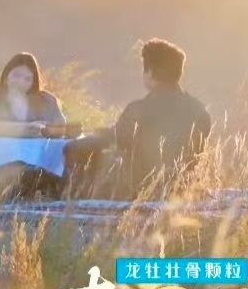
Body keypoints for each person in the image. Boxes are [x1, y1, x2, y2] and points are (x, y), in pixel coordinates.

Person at [64, 38, 212, 198]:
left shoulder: (138, 110)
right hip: (183, 190)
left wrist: (74, 143)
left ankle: (73, 203)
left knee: (75, 149)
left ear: (150, 72)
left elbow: (116, 137)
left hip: (141, 192)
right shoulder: (200, 111)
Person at [0, 52, 66, 136]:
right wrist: (28, 127)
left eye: (27, 79)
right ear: (6, 75)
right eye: (16, 75)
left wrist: (50, 130)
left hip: (39, 149)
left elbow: (62, 129)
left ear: (33, 83)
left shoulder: (47, 101)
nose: (21, 82)